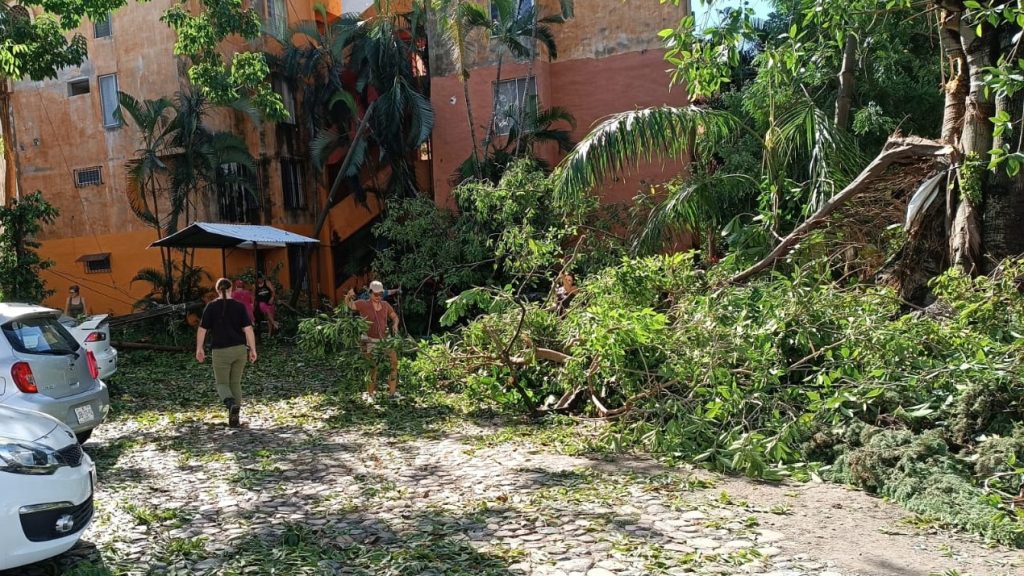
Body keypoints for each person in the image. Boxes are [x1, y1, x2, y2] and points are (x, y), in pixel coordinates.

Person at [196, 278, 257, 428]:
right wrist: (253, 349)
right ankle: (235, 417)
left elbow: (202, 329)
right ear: (231, 289)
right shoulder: (239, 306)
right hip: (239, 350)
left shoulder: (211, 307)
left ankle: (230, 404)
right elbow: (248, 329)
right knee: (235, 383)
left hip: (220, 351)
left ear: (217, 290)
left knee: (222, 383)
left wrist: (199, 348)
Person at [345, 280, 400, 402]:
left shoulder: (385, 305)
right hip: (367, 339)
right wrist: (348, 297)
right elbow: (350, 305)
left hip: (384, 339)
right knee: (372, 367)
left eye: (380, 294)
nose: (378, 297)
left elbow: (394, 316)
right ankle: (370, 394)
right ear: (370, 293)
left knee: (394, 362)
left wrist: (395, 324)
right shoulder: (363, 304)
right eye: (376, 294)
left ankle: (392, 394)